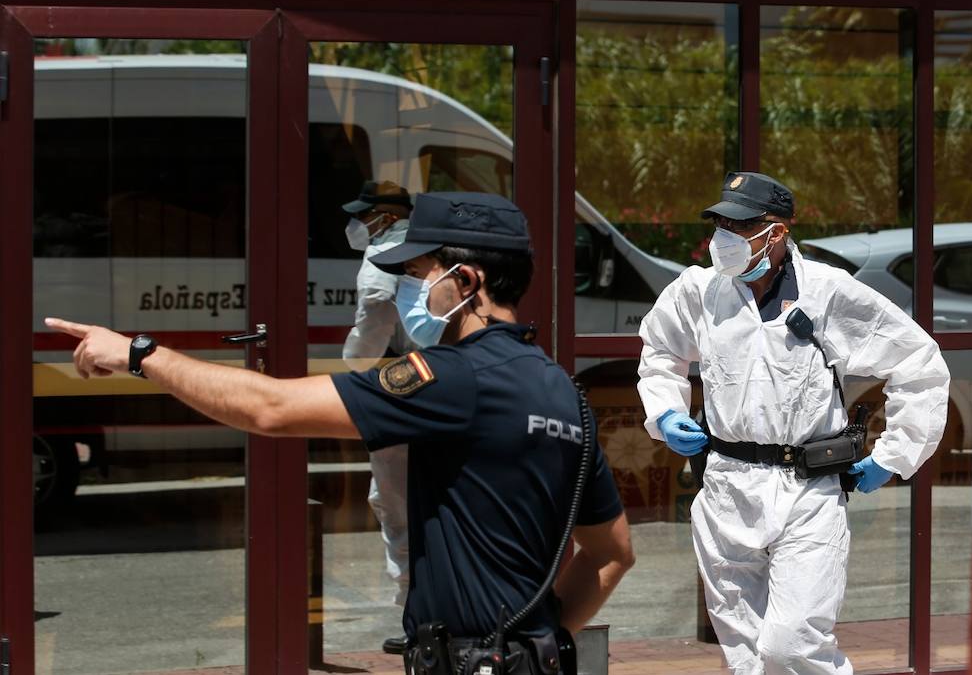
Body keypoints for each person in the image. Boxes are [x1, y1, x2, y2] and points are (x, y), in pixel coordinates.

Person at [49, 191, 635, 673]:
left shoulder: (454, 379)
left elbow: (270, 409)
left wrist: (140, 354)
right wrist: (545, 641)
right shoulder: (561, 391)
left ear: (466, 281)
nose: (411, 289)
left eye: (418, 273)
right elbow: (612, 553)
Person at [637, 172, 949, 675]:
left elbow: (918, 362)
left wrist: (894, 456)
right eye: (719, 225)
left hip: (808, 489)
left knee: (792, 646)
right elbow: (660, 352)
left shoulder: (827, 293)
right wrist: (665, 412)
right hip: (726, 487)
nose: (724, 239)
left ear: (777, 232)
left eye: (738, 228)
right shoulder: (698, 291)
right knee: (746, 654)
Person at [340, 179, 417, 652]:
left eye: (363, 215)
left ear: (384, 218)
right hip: (440, 383)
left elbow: (372, 322)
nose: (355, 225)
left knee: (394, 504)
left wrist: (351, 367)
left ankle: (417, 617)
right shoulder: (431, 246)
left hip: (399, 389)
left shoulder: (381, 258)